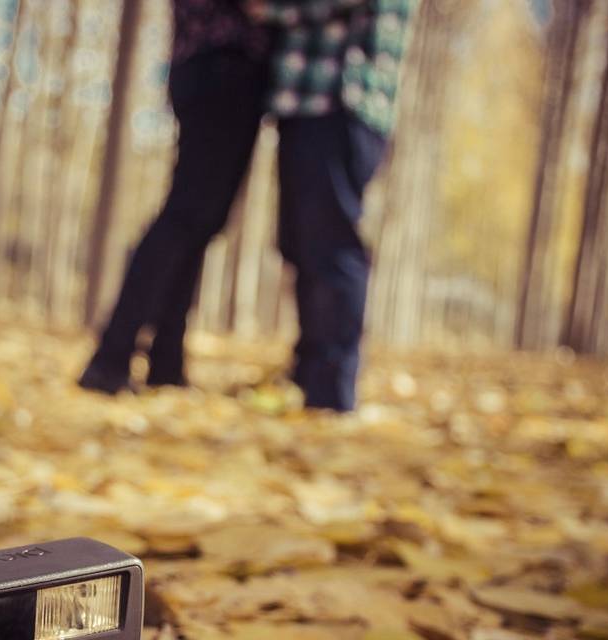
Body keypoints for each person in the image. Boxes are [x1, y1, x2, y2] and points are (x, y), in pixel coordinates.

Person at [79, 0, 271, 393]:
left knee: (200, 222)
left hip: (214, 62)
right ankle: (112, 357)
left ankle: (164, 363)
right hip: (222, 62)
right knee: (187, 216)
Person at [248, 0, 415, 410]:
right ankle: (310, 377)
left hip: (343, 99)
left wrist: (267, 9)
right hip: (307, 103)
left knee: (333, 246)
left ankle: (334, 392)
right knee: (302, 245)